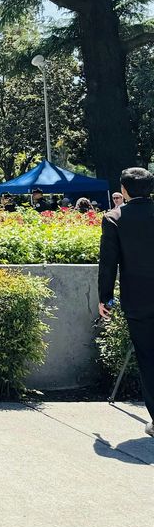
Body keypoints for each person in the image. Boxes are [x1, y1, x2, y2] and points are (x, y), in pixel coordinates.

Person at [98, 167, 154, 438]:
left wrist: (105, 298)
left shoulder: (115, 217)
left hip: (139, 299)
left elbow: (108, 263)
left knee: (148, 359)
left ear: (124, 190)